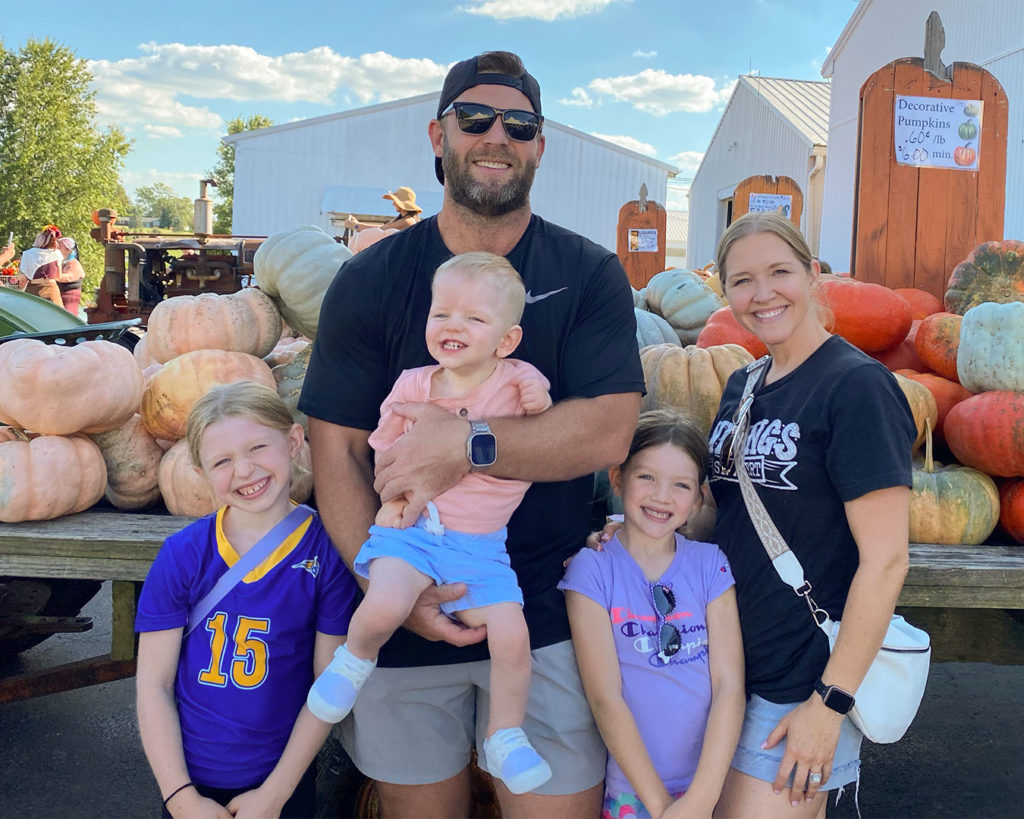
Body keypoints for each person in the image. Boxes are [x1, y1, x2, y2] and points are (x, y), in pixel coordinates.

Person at [299, 50, 644, 818]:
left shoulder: (588, 274)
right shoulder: (371, 279)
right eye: (475, 119)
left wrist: (467, 443)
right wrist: (388, 584)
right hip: (403, 599)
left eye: (519, 124)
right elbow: (337, 453)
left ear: (540, 146)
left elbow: (608, 430)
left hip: (542, 613)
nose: (497, 136)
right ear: (438, 134)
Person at [308, 251, 556, 794]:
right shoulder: (413, 386)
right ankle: (354, 661)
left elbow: (542, 422)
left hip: (483, 548)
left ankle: (505, 735)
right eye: (442, 314)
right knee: (387, 601)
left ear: (506, 340)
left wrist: (540, 397)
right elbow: (384, 449)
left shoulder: (517, 379)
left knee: (512, 636)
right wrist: (394, 499)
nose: (453, 327)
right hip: (416, 531)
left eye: (473, 318)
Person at [708, 212, 915, 816]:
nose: (762, 293)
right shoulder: (743, 384)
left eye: (780, 272)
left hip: (798, 683)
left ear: (813, 274)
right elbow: (726, 516)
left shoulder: (857, 388)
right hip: (723, 672)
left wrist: (830, 703)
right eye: (742, 280)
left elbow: (886, 562)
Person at [135, 381, 359, 818]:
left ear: (293, 442)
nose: (244, 470)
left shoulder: (326, 553)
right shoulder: (183, 555)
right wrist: (180, 798)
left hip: (281, 784)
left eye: (257, 447)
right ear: (199, 473)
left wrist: (275, 794)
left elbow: (327, 688)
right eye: (222, 461)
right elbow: (153, 684)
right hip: (189, 784)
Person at [561, 409, 745, 819]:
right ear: (617, 477)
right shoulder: (592, 569)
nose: (662, 496)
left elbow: (729, 685)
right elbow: (605, 697)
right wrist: (662, 807)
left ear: (698, 498)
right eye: (646, 477)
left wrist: (700, 801)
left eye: (681, 485)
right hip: (634, 792)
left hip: (713, 788)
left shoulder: (709, 564)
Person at [344, 185, 423, 234]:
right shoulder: (403, 219)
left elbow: (380, 230)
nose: (393, 204)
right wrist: (357, 224)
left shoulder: (407, 221)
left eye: (395, 201)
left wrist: (356, 226)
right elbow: (382, 227)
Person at [18, 225, 64, 306]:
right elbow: (58, 276)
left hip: (32, 290)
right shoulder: (57, 254)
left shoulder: (27, 254)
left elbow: (22, 277)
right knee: (55, 316)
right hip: (51, 291)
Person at [56, 236, 85, 316]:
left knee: (68, 317)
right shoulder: (63, 263)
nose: (56, 250)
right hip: (61, 298)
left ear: (68, 250)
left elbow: (69, 277)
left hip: (69, 299)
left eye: (59, 248)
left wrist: (52, 276)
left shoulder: (74, 263)